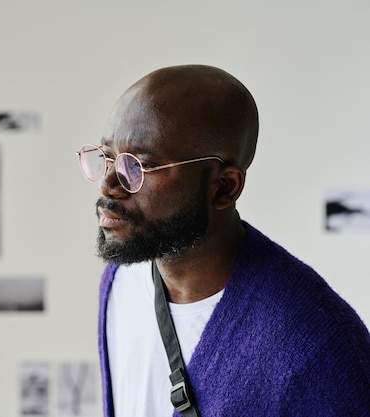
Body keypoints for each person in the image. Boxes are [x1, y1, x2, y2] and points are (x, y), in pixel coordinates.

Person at [75, 65, 370, 416]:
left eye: (139, 165)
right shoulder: (120, 280)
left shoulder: (317, 345)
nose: (108, 184)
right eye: (106, 156)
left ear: (224, 187)